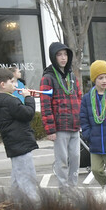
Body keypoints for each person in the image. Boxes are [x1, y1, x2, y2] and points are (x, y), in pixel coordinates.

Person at [0, 66, 39, 201]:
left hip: (14, 144)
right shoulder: (10, 100)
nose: (15, 85)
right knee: (27, 179)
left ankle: (15, 206)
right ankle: (34, 208)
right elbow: (28, 114)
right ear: (3, 85)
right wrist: (28, 98)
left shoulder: (1, 101)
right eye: (12, 82)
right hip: (20, 143)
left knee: (17, 178)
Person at [40, 42, 83, 189]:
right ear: (53, 57)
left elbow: (79, 98)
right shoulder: (48, 78)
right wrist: (50, 129)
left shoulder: (72, 75)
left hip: (75, 126)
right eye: (59, 55)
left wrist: (81, 120)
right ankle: (64, 190)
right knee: (62, 160)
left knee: (76, 158)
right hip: (60, 127)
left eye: (65, 54)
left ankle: (73, 188)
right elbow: (45, 105)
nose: (63, 58)